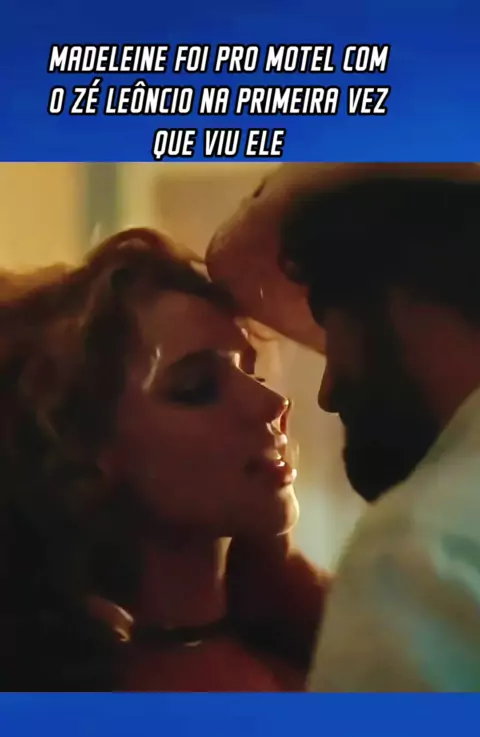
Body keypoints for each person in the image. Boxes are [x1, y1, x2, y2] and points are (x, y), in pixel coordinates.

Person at [0, 227, 329, 692]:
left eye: (252, 372)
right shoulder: (69, 699)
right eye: (198, 388)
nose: (272, 404)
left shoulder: (326, 644)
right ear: (85, 453)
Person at [207, 162, 480, 691]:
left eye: (331, 328)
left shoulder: (422, 550)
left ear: (397, 297)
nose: (325, 393)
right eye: (198, 387)